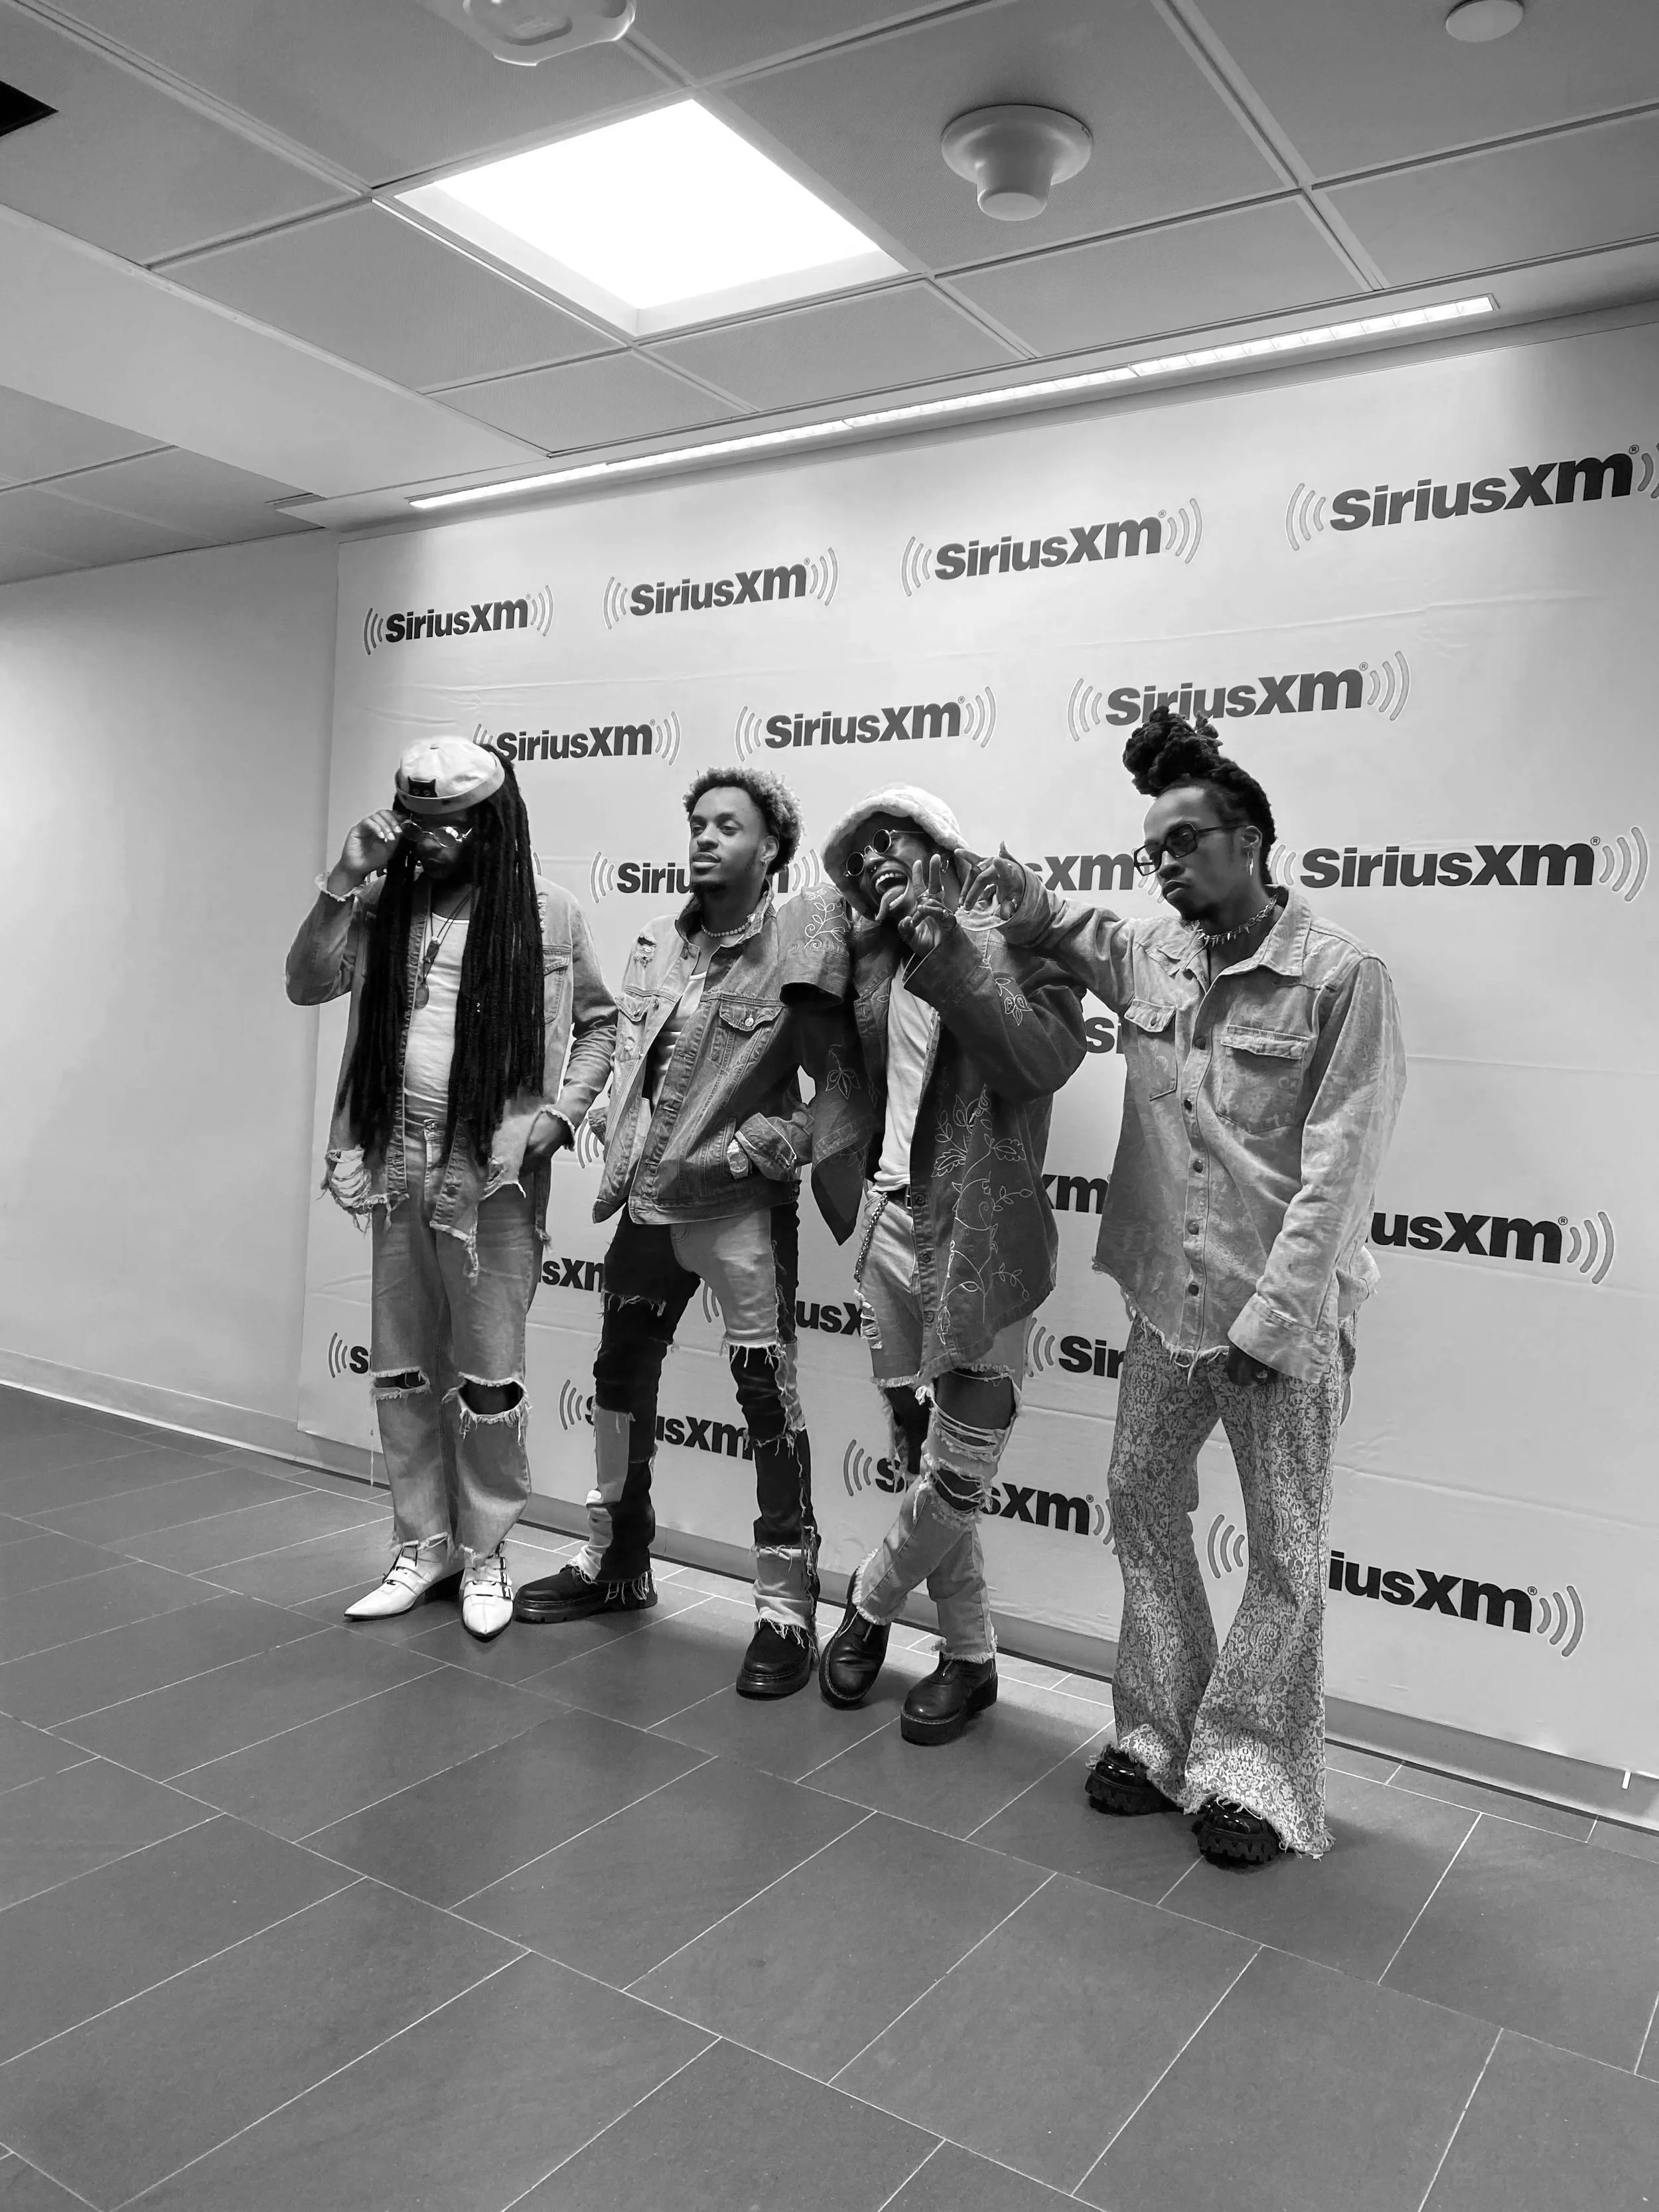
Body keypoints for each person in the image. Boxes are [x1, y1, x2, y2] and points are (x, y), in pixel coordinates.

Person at [967, 709, 1404, 1862]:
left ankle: (1253, 1772)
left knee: (1285, 1548)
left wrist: (1278, 1319)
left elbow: (1343, 1170)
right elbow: (1049, 918)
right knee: (1141, 1501)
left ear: (1250, 841)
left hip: (1279, 1320)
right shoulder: (1150, 955)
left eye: (1184, 842)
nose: (1163, 863)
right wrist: (960, 869)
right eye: (1152, 847)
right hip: (1167, 1304)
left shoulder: (1340, 977)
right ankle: (1159, 1735)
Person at [513, 767, 867, 1700]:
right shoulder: (659, 945)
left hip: (739, 1211)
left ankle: (786, 1608)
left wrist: (763, 1147)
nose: (707, 839)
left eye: (729, 827)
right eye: (699, 824)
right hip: (647, 1204)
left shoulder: (801, 947)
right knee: (618, 1379)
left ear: (771, 849)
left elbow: (842, 1089)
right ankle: (616, 1561)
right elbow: (639, 1063)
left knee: (767, 1398)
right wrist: (609, 1124)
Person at [287, 735, 614, 1640]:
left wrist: (561, 1117)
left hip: (491, 1174)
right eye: (415, 822)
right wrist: (343, 878)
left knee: (489, 1376)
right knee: (402, 1366)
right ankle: (423, 1545)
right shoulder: (384, 902)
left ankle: (487, 1551)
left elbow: (600, 1024)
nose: (427, 840)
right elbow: (306, 983)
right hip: (395, 1159)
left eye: (447, 825)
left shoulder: (547, 914)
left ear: (490, 824)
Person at [814, 788, 1087, 1745]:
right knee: (920, 1456)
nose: (875, 858)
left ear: (944, 845)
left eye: (892, 837)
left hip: (982, 1239)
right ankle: (970, 1658)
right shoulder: (872, 956)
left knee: (961, 1472)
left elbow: (1042, 1061)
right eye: (861, 852)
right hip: (889, 1225)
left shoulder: (1023, 938)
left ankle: (869, 1600)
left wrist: (951, 947)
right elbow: (851, 1080)